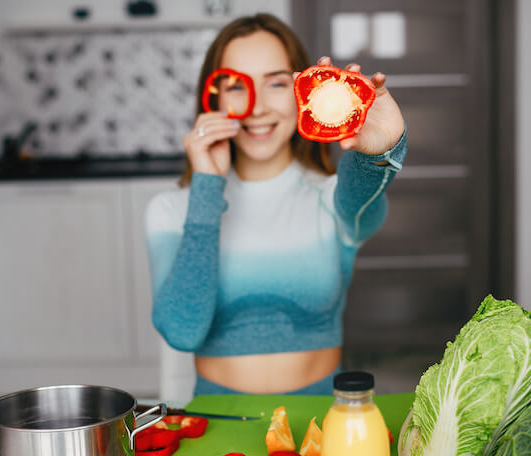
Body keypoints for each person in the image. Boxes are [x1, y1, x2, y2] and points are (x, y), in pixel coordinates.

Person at [145, 13, 407, 395]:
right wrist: (207, 187)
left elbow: (362, 193)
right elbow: (182, 331)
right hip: (216, 428)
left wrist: (378, 151)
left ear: (305, 91)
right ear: (213, 95)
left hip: (322, 427)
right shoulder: (171, 211)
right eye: (237, 86)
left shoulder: (331, 199)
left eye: (277, 83)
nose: (257, 107)